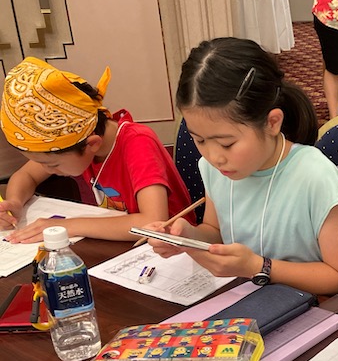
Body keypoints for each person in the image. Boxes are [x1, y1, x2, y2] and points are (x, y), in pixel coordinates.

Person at [145, 37, 338, 297]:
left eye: (226, 144)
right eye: (199, 140)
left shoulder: (317, 178)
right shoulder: (215, 169)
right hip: (248, 298)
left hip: (317, 308)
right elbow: (216, 231)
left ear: (272, 123)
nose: (214, 157)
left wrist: (259, 267)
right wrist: (188, 238)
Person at [0, 57, 195, 242]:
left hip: (173, 247)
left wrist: (68, 226)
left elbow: (153, 222)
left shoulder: (137, 142)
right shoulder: (76, 143)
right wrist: (14, 203)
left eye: (52, 164)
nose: (47, 169)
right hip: (124, 244)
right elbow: (26, 175)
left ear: (92, 144)